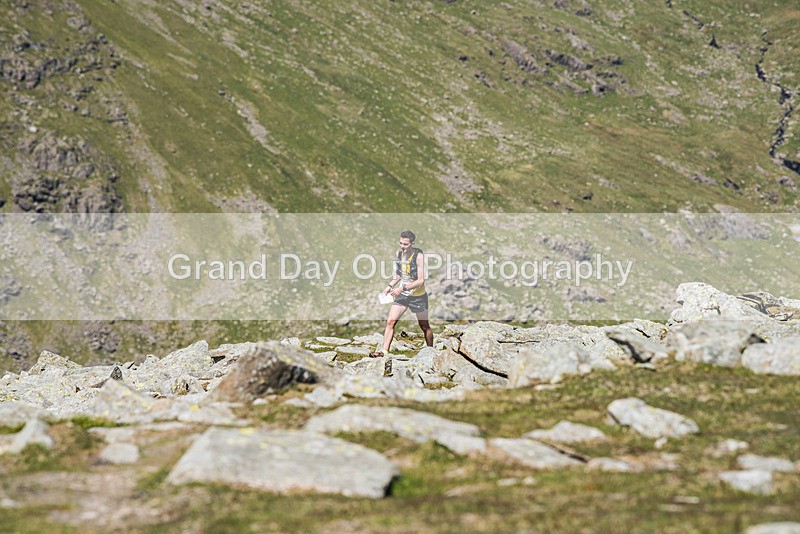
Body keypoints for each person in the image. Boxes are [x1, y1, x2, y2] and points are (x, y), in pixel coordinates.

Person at [370, 230, 433, 358]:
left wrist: (401, 288)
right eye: (400, 243)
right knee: (390, 321)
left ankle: (431, 352)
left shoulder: (419, 256)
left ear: (412, 243)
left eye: (405, 244)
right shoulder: (399, 254)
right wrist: (390, 286)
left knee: (424, 326)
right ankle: (384, 352)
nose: (402, 246)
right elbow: (399, 275)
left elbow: (420, 281)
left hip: (418, 296)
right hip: (403, 295)